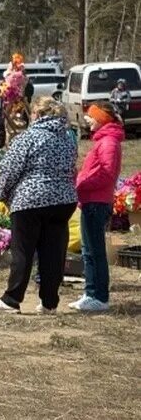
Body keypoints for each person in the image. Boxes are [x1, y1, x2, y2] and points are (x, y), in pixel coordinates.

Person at [0, 97, 77, 314]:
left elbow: (9, 169)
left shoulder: (28, 137)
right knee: (54, 252)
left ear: (37, 114)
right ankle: (49, 302)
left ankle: (12, 299)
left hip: (31, 199)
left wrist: (1, 195)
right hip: (63, 200)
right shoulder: (67, 138)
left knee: (23, 251)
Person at [70, 101, 123, 312]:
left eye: (91, 116)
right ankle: (90, 293)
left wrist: (82, 183)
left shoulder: (109, 142)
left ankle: (99, 296)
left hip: (97, 201)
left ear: (101, 119)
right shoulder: (103, 140)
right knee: (88, 250)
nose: (87, 120)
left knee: (95, 251)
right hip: (91, 200)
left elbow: (107, 173)